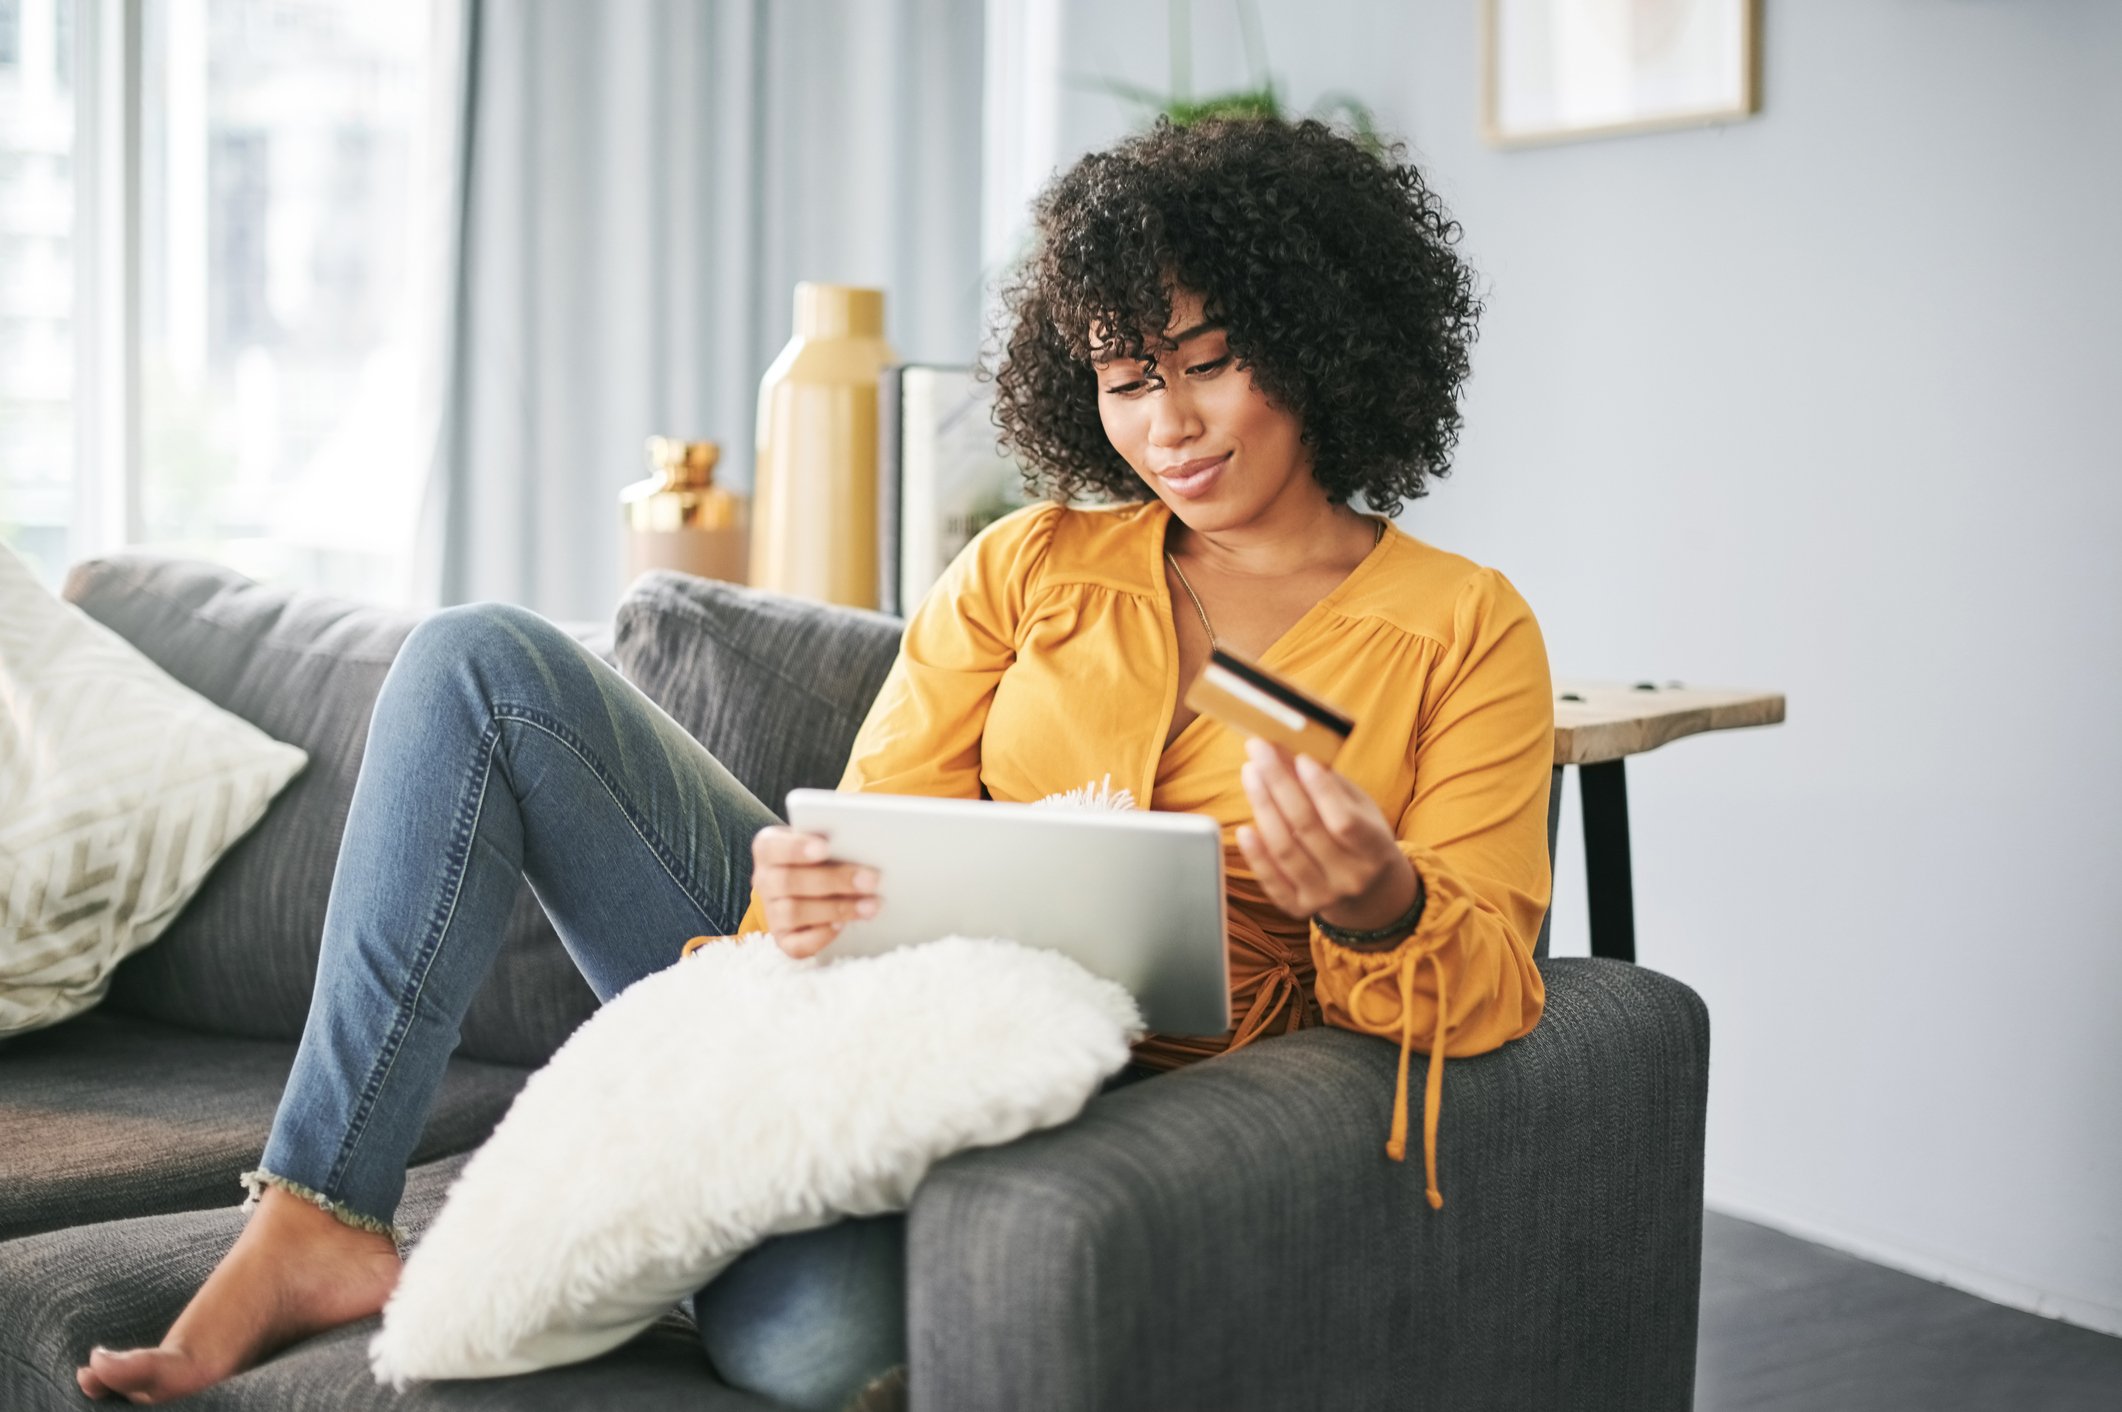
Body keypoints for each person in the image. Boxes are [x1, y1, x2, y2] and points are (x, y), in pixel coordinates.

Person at [76, 112, 1554, 1410]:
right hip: (879, 1005)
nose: (1163, 425)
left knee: (809, 1346)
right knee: (482, 664)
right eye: (1120, 379)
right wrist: (800, 889)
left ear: (1321, 339)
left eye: (1209, 367)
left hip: (1114, 1102)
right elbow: (881, 826)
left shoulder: (1459, 630)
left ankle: (694, 1199)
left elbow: (1492, 980)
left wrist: (1378, 910)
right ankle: (321, 1214)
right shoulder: (1026, 561)